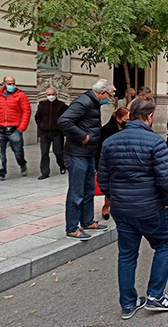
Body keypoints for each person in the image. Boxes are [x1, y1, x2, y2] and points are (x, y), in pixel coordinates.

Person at [98, 99, 168, 319]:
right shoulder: (156, 142)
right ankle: (155, 296)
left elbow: (102, 179)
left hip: (122, 209)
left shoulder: (110, 142)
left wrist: (115, 198)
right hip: (151, 208)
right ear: (149, 117)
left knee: (126, 255)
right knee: (164, 245)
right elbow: (166, 179)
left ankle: (128, 303)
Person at [58, 79, 114, 240]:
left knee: (89, 190)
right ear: (102, 92)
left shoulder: (93, 102)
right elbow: (63, 121)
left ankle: (88, 221)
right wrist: (84, 137)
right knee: (77, 193)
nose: (109, 99)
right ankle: (72, 228)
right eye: (110, 95)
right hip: (77, 154)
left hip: (87, 154)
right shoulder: (83, 102)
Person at [0, 76, 31, 182]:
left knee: (18, 152)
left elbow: (26, 112)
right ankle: (1, 173)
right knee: (0, 153)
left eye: (13, 83)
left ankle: (22, 164)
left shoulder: (21, 96)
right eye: (9, 84)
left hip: (14, 129)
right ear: (3, 84)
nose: (12, 86)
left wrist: (21, 127)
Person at [95, 107, 130, 220]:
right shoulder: (106, 130)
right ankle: (106, 206)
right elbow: (99, 148)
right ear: (118, 118)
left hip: (125, 162)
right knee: (110, 187)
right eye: (126, 119)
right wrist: (97, 165)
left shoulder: (129, 129)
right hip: (111, 162)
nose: (128, 121)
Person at [34, 87, 68, 180]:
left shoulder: (62, 105)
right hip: (45, 133)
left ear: (56, 95)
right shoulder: (42, 105)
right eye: (49, 95)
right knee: (44, 153)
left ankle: (62, 165)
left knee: (58, 152)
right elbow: (37, 117)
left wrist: (62, 127)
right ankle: (44, 172)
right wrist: (41, 125)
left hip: (57, 133)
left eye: (52, 94)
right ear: (46, 95)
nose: (51, 96)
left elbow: (67, 117)